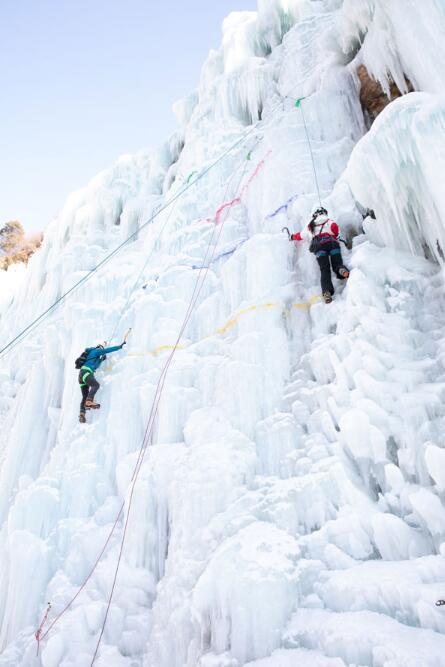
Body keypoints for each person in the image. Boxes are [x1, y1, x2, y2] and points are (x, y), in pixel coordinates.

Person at [288, 207, 350, 303]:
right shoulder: (328, 220)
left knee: (324, 269)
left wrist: (292, 237)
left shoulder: (311, 225)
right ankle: (341, 270)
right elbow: (335, 228)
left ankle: (326, 292)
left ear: (315, 215)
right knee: (337, 263)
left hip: (320, 247)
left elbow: (301, 235)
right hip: (332, 243)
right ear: (324, 213)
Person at [78, 341, 127, 423]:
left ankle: (82, 414)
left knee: (85, 395)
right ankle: (89, 401)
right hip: (86, 372)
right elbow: (107, 350)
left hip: (81, 375)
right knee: (95, 385)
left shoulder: (94, 358)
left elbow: (96, 364)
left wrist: (101, 359)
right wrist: (119, 346)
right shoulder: (95, 351)